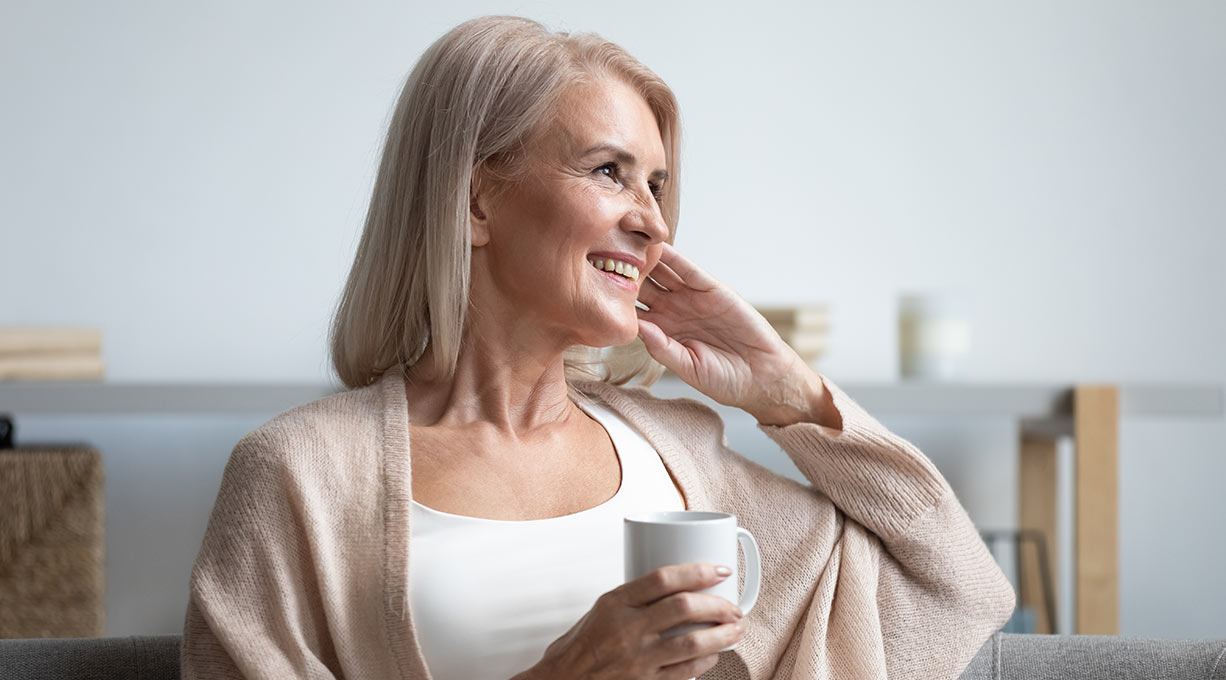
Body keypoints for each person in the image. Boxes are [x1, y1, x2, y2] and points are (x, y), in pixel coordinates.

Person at [182, 15, 1015, 680]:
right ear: (475, 198)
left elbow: (954, 582)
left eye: (656, 185)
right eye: (609, 171)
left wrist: (787, 393)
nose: (652, 219)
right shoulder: (296, 477)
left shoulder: (682, 453)